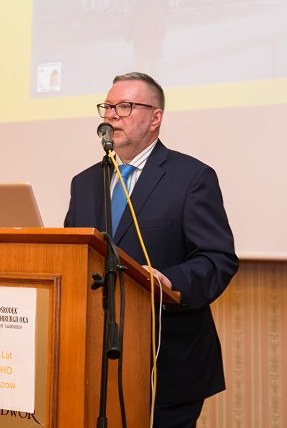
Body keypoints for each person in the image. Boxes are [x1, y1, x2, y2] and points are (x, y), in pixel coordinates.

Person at [64, 72, 238, 428]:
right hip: (92, 358)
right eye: (107, 107)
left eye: (125, 107)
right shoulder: (85, 183)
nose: (111, 115)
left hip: (167, 359)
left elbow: (217, 259)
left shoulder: (191, 177)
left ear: (155, 117)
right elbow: (73, 257)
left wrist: (168, 280)